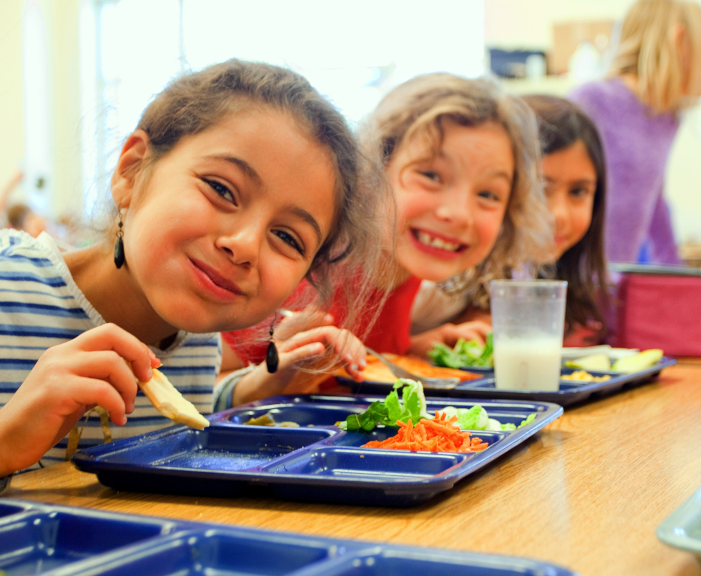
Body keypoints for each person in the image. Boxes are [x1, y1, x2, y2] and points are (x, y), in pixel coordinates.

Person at [0, 59, 390, 493]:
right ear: (132, 171)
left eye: (287, 237)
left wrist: (260, 384)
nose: (246, 245)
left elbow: (177, 411)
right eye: (221, 189)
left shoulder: (195, 338)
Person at [218, 72, 553, 406]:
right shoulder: (305, 273)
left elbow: (347, 367)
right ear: (372, 171)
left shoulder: (404, 270)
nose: (460, 214)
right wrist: (265, 382)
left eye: (488, 194)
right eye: (431, 175)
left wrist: (411, 350)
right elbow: (190, 388)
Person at [568, 0, 701, 264]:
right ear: (680, 41)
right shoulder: (592, 100)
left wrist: (674, 270)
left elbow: (653, 197)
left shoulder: (667, 117)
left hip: (617, 279)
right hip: (577, 276)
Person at [522, 94, 609, 345]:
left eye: (578, 192)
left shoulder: (581, 308)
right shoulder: (444, 294)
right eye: (540, 189)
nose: (558, 215)